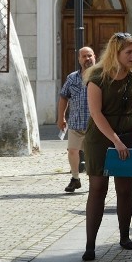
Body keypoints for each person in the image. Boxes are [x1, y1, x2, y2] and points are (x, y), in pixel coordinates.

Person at [81, 32, 132, 261]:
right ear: (116, 53)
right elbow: (96, 113)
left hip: (128, 131)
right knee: (98, 188)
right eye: (128, 52)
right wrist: (115, 141)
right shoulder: (97, 76)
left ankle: (124, 236)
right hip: (100, 136)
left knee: (124, 187)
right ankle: (90, 245)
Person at [57, 46, 95, 193]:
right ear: (79, 59)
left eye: (89, 55)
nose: (87, 59)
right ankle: (75, 178)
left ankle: (94, 180)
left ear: (94, 57)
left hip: (95, 124)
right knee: (72, 150)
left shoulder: (101, 75)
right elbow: (63, 97)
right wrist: (61, 118)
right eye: (84, 56)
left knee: (93, 154)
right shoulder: (72, 78)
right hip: (76, 122)